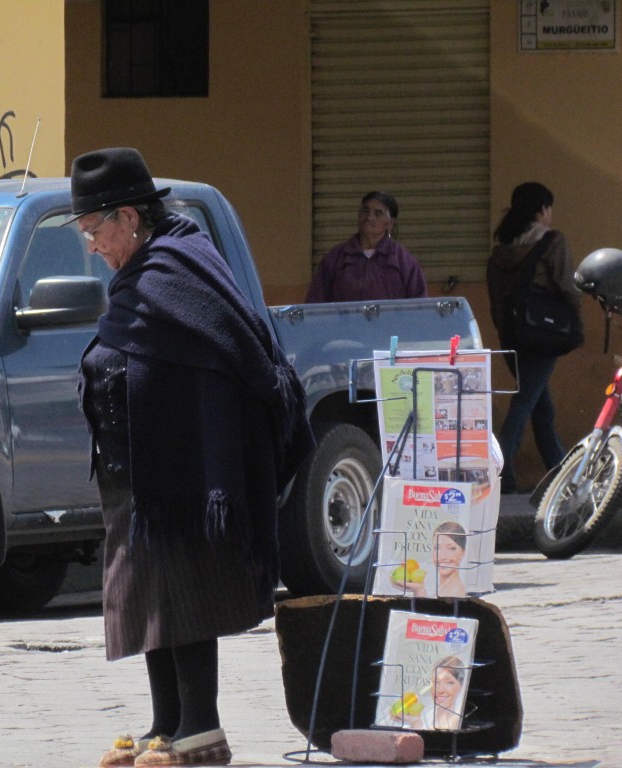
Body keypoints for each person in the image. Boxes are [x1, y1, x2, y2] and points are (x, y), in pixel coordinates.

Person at [73, 147, 313, 768]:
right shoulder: (141, 270)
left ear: (127, 216)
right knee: (148, 594)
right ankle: (166, 725)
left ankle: (201, 733)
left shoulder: (179, 265)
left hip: (185, 465)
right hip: (140, 469)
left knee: (182, 591)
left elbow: (233, 354)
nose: (92, 247)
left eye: (94, 231)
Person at [486, 182, 581, 493]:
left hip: (511, 336)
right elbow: (567, 286)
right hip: (543, 336)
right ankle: (498, 470)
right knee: (525, 402)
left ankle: (560, 474)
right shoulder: (553, 242)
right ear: (542, 209)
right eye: (549, 207)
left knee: (542, 408)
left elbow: (495, 299)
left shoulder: (500, 252)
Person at [305, 191, 428, 303]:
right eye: (365, 211)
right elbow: (314, 302)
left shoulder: (403, 260)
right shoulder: (335, 258)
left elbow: (419, 305)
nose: (369, 217)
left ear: (390, 223)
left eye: (378, 213)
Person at [391, 520, 468, 598]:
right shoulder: (441, 589)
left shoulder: (455, 594)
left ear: (463, 552)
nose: (442, 556)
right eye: (437, 548)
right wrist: (419, 590)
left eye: (451, 548)